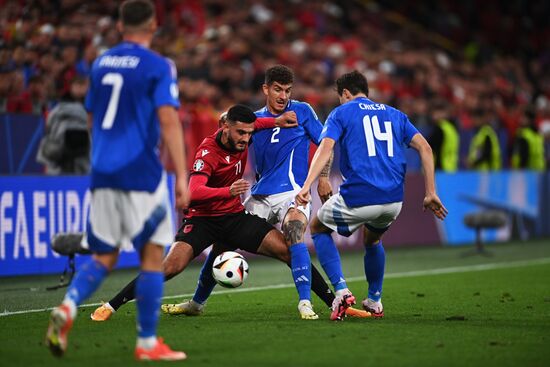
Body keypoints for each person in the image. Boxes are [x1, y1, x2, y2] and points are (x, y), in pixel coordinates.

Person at [91, 65, 370, 322]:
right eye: (241, 134)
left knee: (288, 248)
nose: (245, 140)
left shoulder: (252, 126)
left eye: (249, 134)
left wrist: (278, 122)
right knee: (171, 266)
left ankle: (332, 302)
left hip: (234, 215)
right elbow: (194, 191)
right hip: (202, 219)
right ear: (225, 127)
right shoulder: (208, 151)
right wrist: (228, 189)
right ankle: (112, 305)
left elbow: (260, 124)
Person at [45, 0, 189, 361]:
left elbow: (91, 118)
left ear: (121, 25)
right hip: (141, 171)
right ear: (153, 25)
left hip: (103, 170)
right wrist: (181, 175)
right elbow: (169, 120)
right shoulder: (159, 65)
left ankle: (68, 307)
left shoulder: (101, 63)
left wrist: (101, 160)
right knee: (153, 257)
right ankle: (146, 342)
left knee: (104, 255)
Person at [296, 70, 448, 319]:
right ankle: (375, 299)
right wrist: (430, 191)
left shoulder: (341, 112)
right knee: (372, 240)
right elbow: (425, 147)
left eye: (340, 97)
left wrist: (307, 185)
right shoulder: (395, 114)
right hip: (394, 200)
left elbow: (325, 147)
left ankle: (341, 292)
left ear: (345, 93)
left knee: (318, 228)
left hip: (361, 194)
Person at [37, 76, 90, 175]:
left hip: (84, 169)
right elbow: (49, 129)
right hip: (58, 168)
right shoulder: (58, 110)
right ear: (71, 87)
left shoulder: (92, 110)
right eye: (78, 84)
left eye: (83, 85)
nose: (80, 89)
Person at [427, 99, 460, 172]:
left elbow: (429, 146)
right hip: (452, 168)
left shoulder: (440, 129)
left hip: (441, 167)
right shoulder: (452, 128)